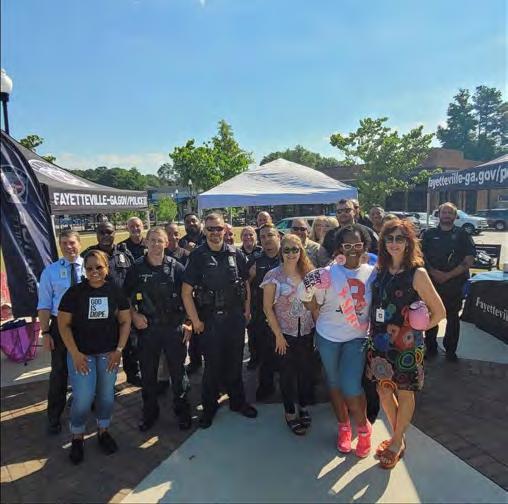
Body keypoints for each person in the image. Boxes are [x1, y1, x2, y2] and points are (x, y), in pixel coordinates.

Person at [367, 219, 445, 469]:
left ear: (408, 242)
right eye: (389, 238)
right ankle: (397, 437)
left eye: (399, 238)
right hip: (380, 343)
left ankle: (396, 441)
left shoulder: (417, 273)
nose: (394, 243)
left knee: (405, 392)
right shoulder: (380, 270)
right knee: (383, 391)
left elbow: (440, 312)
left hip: (407, 348)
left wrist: (416, 331)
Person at [298, 224, 377, 458]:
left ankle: (363, 428)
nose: (353, 249)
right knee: (333, 383)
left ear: (364, 246)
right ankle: (343, 426)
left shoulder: (373, 273)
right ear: (340, 247)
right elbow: (308, 299)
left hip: (356, 337)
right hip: (328, 336)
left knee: (351, 385)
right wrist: (310, 299)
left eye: (357, 244)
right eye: (347, 245)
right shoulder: (327, 273)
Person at [182, 213, 257, 428]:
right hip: (210, 319)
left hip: (234, 317)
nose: (215, 232)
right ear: (205, 230)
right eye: (210, 229)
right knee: (212, 366)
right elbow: (186, 292)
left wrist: (247, 309)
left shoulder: (235, 253)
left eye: (219, 228)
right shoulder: (197, 256)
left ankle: (237, 402)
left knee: (235, 362)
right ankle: (209, 407)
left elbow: (245, 283)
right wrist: (195, 320)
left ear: (225, 230)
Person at [58, 249, 131, 464]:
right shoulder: (74, 293)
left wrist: (119, 350)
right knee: (83, 398)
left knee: (106, 396)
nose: (94, 272)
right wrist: (75, 353)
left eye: (99, 267)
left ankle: (103, 431)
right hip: (82, 355)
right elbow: (63, 325)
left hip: (108, 354)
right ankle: (77, 435)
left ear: (107, 268)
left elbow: (125, 321)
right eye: (89, 268)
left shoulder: (115, 291)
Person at [124, 227, 192, 431]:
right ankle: (149, 413)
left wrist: (189, 322)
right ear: (146, 242)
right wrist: (134, 315)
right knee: (148, 374)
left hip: (173, 328)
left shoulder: (177, 267)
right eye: (152, 240)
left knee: (178, 374)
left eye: (159, 240)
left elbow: (189, 295)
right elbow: (124, 297)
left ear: (166, 243)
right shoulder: (136, 268)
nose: (155, 244)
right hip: (148, 330)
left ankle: (182, 411)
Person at [261, 234, 315, 435]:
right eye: (287, 250)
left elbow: (315, 304)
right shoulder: (273, 276)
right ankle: (290, 411)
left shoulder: (309, 273)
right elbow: (267, 308)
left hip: (307, 332)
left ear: (301, 251)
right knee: (287, 374)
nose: (291, 254)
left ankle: (303, 406)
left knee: (305, 372)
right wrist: (278, 336)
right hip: (284, 334)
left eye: (295, 249)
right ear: (281, 252)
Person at [81, 221, 139, 385]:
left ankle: (133, 374)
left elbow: (133, 280)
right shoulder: (88, 255)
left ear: (115, 233)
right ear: (96, 234)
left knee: (129, 343)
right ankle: (104, 384)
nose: (106, 236)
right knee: (104, 346)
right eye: (102, 232)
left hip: (123, 307)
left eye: (109, 232)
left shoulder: (124, 254)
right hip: (101, 309)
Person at [38, 230, 84, 434]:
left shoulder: (91, 267)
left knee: (88, 366)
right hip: (60, 325)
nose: (68, 247)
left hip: (87, 325)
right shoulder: (50, 271)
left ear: (79, 244)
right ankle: (54, 416)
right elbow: (44, 305)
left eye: (72, 242)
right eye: (64, 243)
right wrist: (46, 332)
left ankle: (87, 403)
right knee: (59, 371)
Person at [421, 202, 475, 361]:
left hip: (454, 284)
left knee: (452, 318)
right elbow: (420, 255)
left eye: (450, 213)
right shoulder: (428, 234)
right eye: (444, 212)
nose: (446, 215)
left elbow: (469, 258)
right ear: (439, 214)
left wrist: (448, 275)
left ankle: (450, 351)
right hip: (432, 282)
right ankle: (430, 348)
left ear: (455, 216)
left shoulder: (463, 235)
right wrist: (433, 272)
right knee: (431, 314)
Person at [248, 223, 281, 387]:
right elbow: (245, 285)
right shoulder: (256, 260)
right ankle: (266, 386)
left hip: (284, 314)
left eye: (270, 235)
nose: (267, 239)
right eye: (263, 237)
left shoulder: (288, 256)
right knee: (264, 353)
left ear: (278, 237)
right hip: (262, 314)